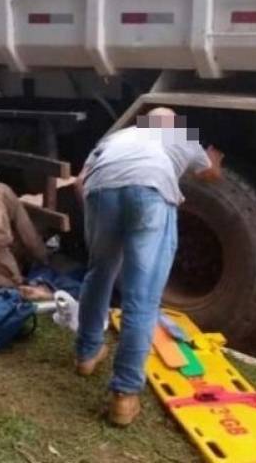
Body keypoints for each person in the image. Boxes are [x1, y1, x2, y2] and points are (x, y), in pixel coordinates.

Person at [73, 107, 224, 427]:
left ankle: (86, 355)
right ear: (171, 123)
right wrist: (215, 162)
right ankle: (124, 396)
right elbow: (209, 174)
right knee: (142, 297)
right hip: (151, 190)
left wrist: (100, 217)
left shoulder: (116, 137)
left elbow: (80, 181)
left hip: (100, 190)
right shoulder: (180, 136)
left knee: (99, 273)